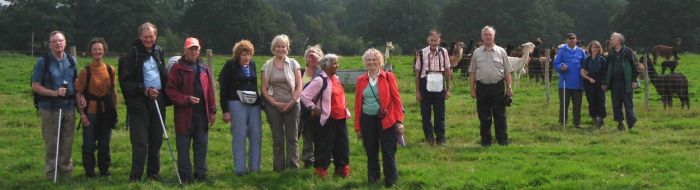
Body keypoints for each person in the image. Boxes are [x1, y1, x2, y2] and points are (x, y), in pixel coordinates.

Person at [118, 22, 168, 182]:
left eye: (151, 36)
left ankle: (153, 174)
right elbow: (125, 81)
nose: (148, 39)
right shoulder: (133, 53)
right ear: (140, 37)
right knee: (140, 141)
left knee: (156, 139)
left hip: (158, 99)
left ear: (156, 36)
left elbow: (163, 75)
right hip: (139, 101)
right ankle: (136, 177)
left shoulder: (159, 51)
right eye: (145, 37)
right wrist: (144, 90)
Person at [165, 37, 216, 183]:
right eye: (191, 49)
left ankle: (201, 175)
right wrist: (186, 99)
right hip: (184, 115)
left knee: (201, 145)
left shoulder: (203, 67)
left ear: (199, 50)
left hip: (202, 114)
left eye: (196, 49)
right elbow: (170, 91)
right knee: (183, 147)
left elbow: (210, 92)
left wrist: (212, 111)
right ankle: (185, 177)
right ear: (185, 50)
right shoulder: (177, 68)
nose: (194, 51)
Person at [31, 31, 78, 180]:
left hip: (69, 107)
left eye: (61, 41)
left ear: (65, 42)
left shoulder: (72, 60)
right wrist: (54, 93)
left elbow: (76, 83)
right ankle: (51, 174)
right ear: (50, 44)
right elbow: (35, 86)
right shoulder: (43, 61)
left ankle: (66, 172)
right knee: (52, 141)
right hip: (49, 107)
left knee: (68, 140)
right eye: (54, 41)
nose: (58, 44)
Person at [354, 49, 404, 187]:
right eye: (368, 60)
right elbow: (358, 104)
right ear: (365, 62)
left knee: (388, 151)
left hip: (387, 119)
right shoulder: (360, 80)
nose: (371, 62)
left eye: (374, 59)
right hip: (367, 120)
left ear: (380, 61)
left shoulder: (388, 77)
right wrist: (357, 127)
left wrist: (399, 121)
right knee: (371, 151)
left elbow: (397, 100)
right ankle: (373, 179)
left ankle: (390, 180)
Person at [300, 54, 352, 178]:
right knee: (324, 147)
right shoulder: (320, 80)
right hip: (326, 120)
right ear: (326, 65)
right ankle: (321, 173)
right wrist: (313, 107)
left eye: (336, 63)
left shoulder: (336, 79)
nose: (337, 65)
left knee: (342, 146)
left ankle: (341, 172)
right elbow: (304, 95)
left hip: (341, 118)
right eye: (334, 63)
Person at [219, 40, 262, 176]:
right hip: (236, 103)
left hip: (253, 105)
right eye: (244, 54)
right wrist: (225, 110)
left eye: (249, 54)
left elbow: (255, 85)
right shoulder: (230, 66)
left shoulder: (253, 65)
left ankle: (255, 169)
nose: (246, 58)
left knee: (256, 135)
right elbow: (223, 89)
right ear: (238, 55)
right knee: (239, 136)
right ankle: (240, 169)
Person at [76, 38, 117, 178]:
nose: (98, 51)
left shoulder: (111, 70)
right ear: (90, 52)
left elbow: (114, 92)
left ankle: (104, 170)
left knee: (105, 144)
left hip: (106, 112)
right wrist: (82, 115)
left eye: (100, 49)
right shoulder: (85, 71)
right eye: (95, 49)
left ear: (104, 51)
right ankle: (89, 172)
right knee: (88, 143)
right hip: (90, 113)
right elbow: (78, 93)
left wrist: (114, 112)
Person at [261, 34, 303, 171]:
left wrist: (291, 102)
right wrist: (274, 103)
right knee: (278, 139)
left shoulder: (293, 64)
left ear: (287, 48)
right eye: (278, 46)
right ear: (274, 48)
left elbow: (299, 87)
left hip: (292, 105)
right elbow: (264, 90)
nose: (280, 49)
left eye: (283, 46)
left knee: (292, 138)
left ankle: (293, 167)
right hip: (273, 106)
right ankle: (278, 168)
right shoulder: (266, 65)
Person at [469, 26, 513, 146]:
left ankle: (502, 140)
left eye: (490, 35)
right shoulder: (476, 53)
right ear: (482, 37)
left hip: (497, 87)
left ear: (494, 36)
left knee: (500, 115)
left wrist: (509, 87)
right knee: (484, 116)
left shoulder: (501, 52)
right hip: (482, 88)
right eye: (486, 35)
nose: (488, 37)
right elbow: (472, 72)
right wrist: (472, 89)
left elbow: (507, 72)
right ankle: (485, 141)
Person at [413, 30, 452, 145]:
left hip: (439, 82)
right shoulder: (421, 53)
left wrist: (448, 89)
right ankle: (429, 139)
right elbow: (417, 73)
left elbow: (448, 70)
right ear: (428, 41)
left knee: (440, 113)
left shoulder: (444, 52)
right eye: (431, 41)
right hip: (425, 83)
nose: (433, 43)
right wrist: (417, 91)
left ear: (439, 41)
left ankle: (441, 139)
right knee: (425, 114)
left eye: (435, 41)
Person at [602, 32, 639, 131]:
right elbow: (606, 69)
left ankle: (631, 124)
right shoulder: (611, 53)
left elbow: (636, 66)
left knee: (628, 104)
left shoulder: (628, 51)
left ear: (619, 40)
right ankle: (620, 123)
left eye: (612, 39)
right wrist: (605, 82)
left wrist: (634, 80)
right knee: (616, 104)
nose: (611, 40)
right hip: (614, 84)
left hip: (626, 83)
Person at [554, 33, 587, 128]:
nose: (572, 40)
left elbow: (585, 63)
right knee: (564, 104)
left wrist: (585, 71)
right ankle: (562, 122)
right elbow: (556, 63)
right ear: (567, 40)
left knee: (577, 105)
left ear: (576, 40)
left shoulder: (581, 51)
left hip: (578, 83)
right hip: (564, 83)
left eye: (573, 39)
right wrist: (561, 67)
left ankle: (577, 122)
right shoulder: (562, 51)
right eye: (570, 39)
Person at [300, 44, 324, 168]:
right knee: (307, 134)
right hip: (302, 110)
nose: (311, 59)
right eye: (309, 56)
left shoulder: (322, 73)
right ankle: (308, 160)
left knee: (320, 135)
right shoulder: (300, 72)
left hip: (318, 109)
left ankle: (321, 159)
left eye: (315, 56)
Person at [580, 40, 608, 128]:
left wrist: (604, 83)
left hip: (600, 83)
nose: (595, 49)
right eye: (593, 47)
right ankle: (594, 119)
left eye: (596, 47)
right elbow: (582, 73)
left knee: (600, 101)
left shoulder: (602, 59)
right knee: (591, 101)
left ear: (599, 48)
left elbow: (605, 73)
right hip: (589, 83)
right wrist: (589, 78)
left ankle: (601, 121)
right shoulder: (586, 59)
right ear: (590, 48)